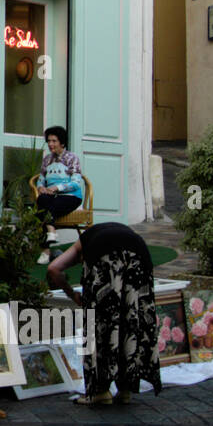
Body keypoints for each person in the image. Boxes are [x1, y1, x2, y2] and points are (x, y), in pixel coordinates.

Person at [47, 222, 162, 405]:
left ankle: (100, 390)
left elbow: (54, 269)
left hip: (106, 256)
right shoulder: (99, 233)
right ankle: (125, 389)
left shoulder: (82, 244)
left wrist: (72, 294)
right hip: (139, 253)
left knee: (101, 322)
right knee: (131, 317)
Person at [35, 125, 83, 261]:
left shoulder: (72, 158)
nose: (50, 144)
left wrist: (57, 188)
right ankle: (51, 232)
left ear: (62, 142)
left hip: (70, 196)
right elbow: (40, 181)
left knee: (43, 211)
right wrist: (41, 188)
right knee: (41, 200)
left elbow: (75, 183)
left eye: (54, 141)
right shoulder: (47, 160)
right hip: (51, 196)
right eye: (49, 141)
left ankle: (45, 252)